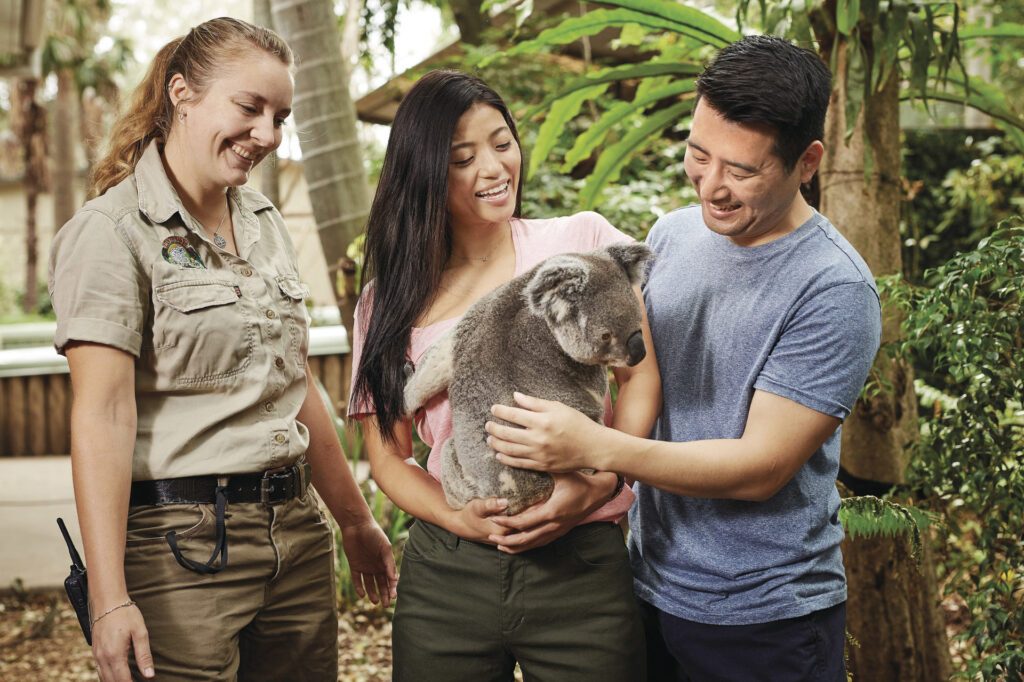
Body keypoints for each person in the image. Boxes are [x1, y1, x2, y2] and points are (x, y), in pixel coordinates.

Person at [485, 35, 882, 681]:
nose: (712, 186)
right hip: (648, 583)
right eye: (699, 155)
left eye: (743, 170)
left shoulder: (833, 288)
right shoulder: (672, 234)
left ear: (807, 161)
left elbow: (761, 467)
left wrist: (596, 449)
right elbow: (634, 374)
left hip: (763, 617)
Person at [48, 17, 397, 682]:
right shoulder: (111, 233)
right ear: (182, 93)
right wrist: (109, 597)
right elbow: (103, 417)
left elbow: (291, 387)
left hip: (295, 536)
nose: (267, 135)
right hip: (179, 550)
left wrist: (354, 521)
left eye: (281, 116)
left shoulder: (263, 223)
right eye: (249, 107)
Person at [348, 69, 662, 681]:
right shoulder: (384, 304)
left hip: (582, 567)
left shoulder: (582, 243)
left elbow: (640, 378)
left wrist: (597, 482)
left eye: (502, 143)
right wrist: (455, 517)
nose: (494, 168)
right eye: (463, 157)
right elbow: (390, 459)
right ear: (425, 173)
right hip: (449, 576)